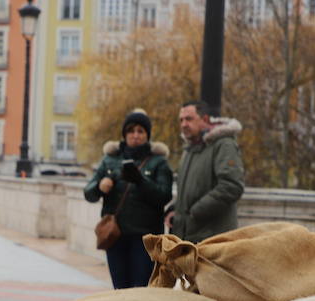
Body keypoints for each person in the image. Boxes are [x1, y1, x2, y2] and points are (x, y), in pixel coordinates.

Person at [84, 109, 173, 289]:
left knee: (140, 286)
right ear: (124, 135)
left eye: (140, 131)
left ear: (147, 135)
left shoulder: (158, 162)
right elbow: (88, 193)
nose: (135, 135)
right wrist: (100, 186)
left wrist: (141, 181)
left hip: (145, 237)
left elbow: (164, 195)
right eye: (131, 131)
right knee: (119, 287)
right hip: (115, 236)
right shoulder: (110, 160)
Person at [167, 100, 244, 243]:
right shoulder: (189, 149)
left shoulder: (223, 144)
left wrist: (195, 211)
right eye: (181, 120)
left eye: (189, 119)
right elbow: (189, 191)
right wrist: (175, 209)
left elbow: (232, 186)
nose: (184, 124)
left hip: (212, 239)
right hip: (188, 237)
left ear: (205, 119)